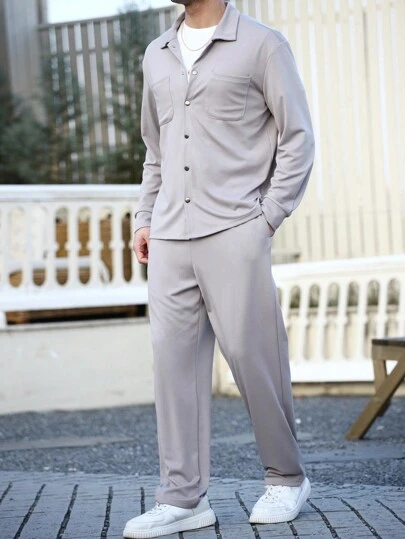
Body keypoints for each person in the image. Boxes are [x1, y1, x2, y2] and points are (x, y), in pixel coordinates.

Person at [125, 0, 315, 536]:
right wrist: (144, 217)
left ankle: (286, 478)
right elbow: (155, 150)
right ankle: (183, 497)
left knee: (255, 359)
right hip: (169, 235)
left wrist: (267, 217)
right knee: (173, 368)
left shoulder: (262, 45)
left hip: (236, 229)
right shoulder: (156, 54)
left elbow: (297, 137)